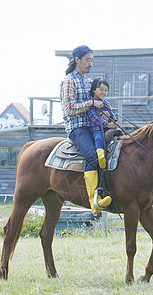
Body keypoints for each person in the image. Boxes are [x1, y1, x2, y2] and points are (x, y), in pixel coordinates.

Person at [60, 45, 111, 214]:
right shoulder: (69, 81)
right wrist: (91, 103)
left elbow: (99, 104)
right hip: (77, 127)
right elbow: (69, 109)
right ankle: (93, 200)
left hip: (95, 125)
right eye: (88, 60)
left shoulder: (91, 83)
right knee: (92, 156)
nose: (91, 63)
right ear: (77, 60)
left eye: (92, 60)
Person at [87, 77, 117, 169]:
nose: (103, 92)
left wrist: (114, 121)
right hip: (97, 129)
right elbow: (95, 119)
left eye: (106, 90)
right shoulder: (91, 104)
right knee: (99, 138)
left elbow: (112, 115)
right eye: (101, 89)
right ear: (94, 90)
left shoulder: (106, 103)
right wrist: (107, 124)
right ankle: (101, 156)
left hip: (108, 128)